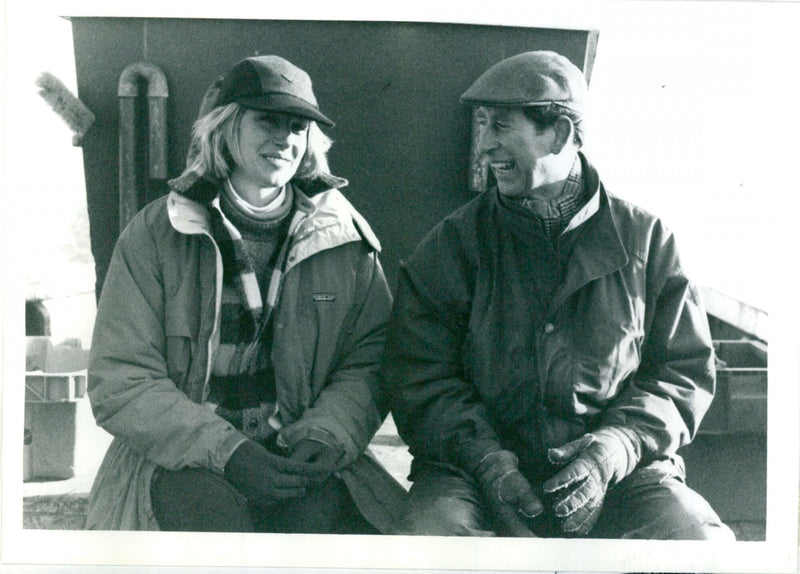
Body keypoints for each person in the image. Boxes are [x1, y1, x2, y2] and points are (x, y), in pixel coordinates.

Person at [382, 50, 735, 540]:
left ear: (560, 134)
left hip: (622, 474)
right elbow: (420, 376)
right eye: (483, 126)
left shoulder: (647, 242)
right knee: (431, 546)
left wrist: (617, 447)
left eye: (501, 127)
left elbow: (683, 373)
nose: (484, 146)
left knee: (697, 543)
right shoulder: (452, 246)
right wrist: (487, 462)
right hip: (472, 474)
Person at [84, 55, 405, 533]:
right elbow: (122, 378)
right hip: (182, 458)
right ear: (226, 127)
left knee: (318, 526)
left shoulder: (344, 240)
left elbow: (370, 360)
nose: (285, 138)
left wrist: (327, 433)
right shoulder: (154, 234)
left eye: (298, 127)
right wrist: (229, 452)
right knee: (213, 524)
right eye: (267, 121)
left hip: (296, 456)